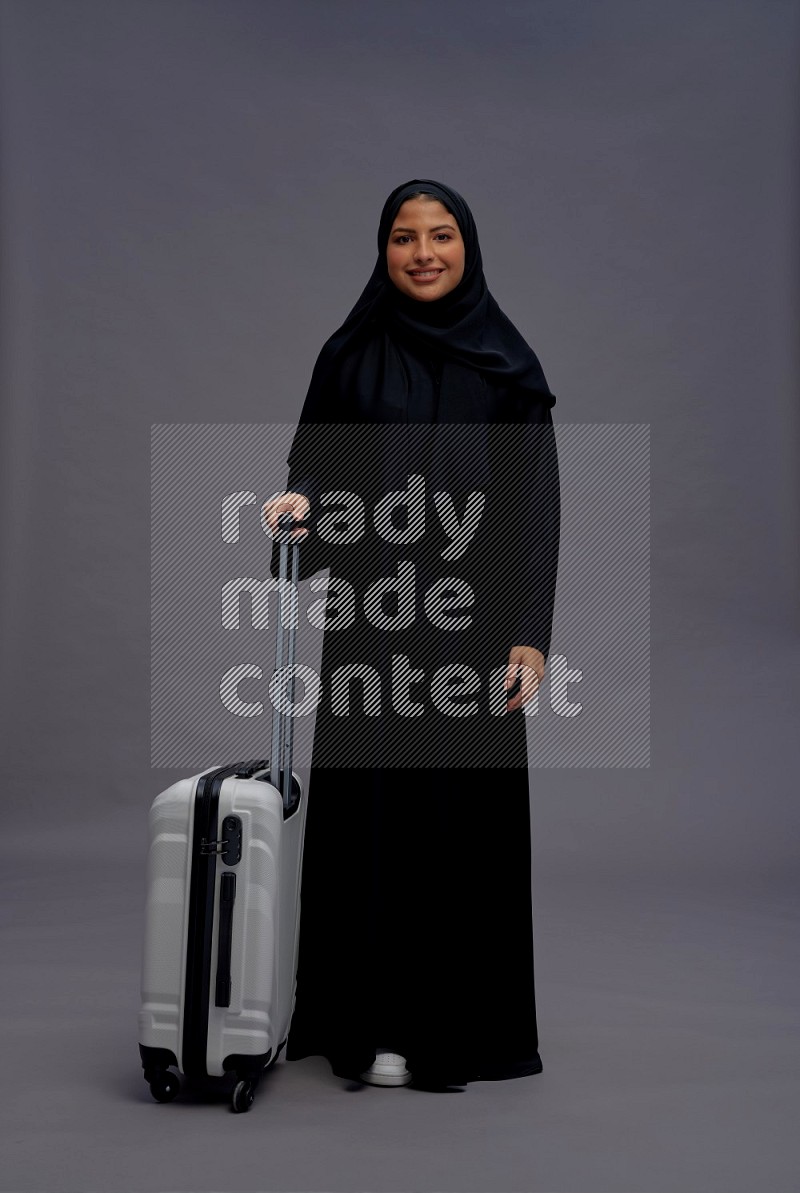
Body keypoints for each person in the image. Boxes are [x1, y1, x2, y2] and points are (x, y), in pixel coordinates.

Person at [263, 179, 560, 1090]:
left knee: (456, 825)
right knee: (372, 818)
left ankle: (452, 1028)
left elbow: (532, 508)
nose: (422, 252)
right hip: (372, 621)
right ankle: (369, 1022)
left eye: (440, 236)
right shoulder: (349, 356)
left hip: (470, 633)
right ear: (382, 250)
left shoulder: (507, 365)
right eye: (403, 237)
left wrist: (528, 634)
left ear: (468, 246)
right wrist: (293, 510)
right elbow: (313, 473)